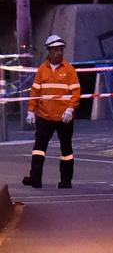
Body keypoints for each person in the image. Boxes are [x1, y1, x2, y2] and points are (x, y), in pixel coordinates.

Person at [22, 35, 81, 189]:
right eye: (55, 50)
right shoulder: (42, 70)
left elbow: (76, 93)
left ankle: (66, 181)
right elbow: (35, 92)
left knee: (66, 150)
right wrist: (30, 110)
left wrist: (70, 108)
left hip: (64, 117)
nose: (59, 53)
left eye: (61, 50)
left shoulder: (69, 70)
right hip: (45, 116)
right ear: (49, 51)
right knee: (39, 149)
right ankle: (35, 178)